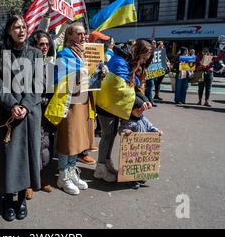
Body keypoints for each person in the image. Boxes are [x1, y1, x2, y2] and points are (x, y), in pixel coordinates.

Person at [0, 15, 42, 221]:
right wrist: (12, 105)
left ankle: (21, 198)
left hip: (29, 114)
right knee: (7, 158)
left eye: (23, 27)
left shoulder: (36, 53)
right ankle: (7, 198)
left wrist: (24, 106)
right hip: (6, 113)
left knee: (28, 156)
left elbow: (39, 84)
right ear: (9, 31)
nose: (21, 30)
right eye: (16, 27)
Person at [45, 22, 94, 196]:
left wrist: (99, 72)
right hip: (69, 101)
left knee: (79, 138)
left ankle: (72, 170)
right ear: (70, 36)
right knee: (68, 137)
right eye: (79, 34)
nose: (83, 37)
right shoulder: (64, 54)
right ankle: (63, 174)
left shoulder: (88, 53)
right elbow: (57, 78)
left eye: (84, 34)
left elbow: (92, 76)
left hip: (84, 101)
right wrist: (81, 74)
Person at [94, 40, 153, 182]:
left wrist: (144, 99)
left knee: (112, 134)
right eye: (144, 57)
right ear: (138, 52)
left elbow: (133, 85)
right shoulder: (120, 61)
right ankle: (100, 168)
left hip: (113, 104)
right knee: (107, 135)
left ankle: (106, 162)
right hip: (106, 104)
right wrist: (139, 104)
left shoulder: (126, 59)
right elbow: (123, 90)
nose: (144, 60)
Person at [25, 30, 56, 198]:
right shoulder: (28, 64)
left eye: (46, 44)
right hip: (31, 111)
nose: (44, 47)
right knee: (31, 146)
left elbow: (52, 91)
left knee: (44, 146)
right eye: (41, 44)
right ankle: (28, 182)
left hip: (46, 114)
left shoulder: (51, 65)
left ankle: (41, 177)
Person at [118, 94, 163, 189]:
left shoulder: (143, 118)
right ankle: (131, 179)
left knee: (140, 162)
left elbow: (150, 126)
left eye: (142, 110)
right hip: (132, 149)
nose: (140, 112)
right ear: (130, 109)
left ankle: (139, 176)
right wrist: (126, 131)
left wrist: (156, 130)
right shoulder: (127, 120)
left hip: (142, 147)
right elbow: (121, 129)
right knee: (132, 164)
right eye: (137, 110)